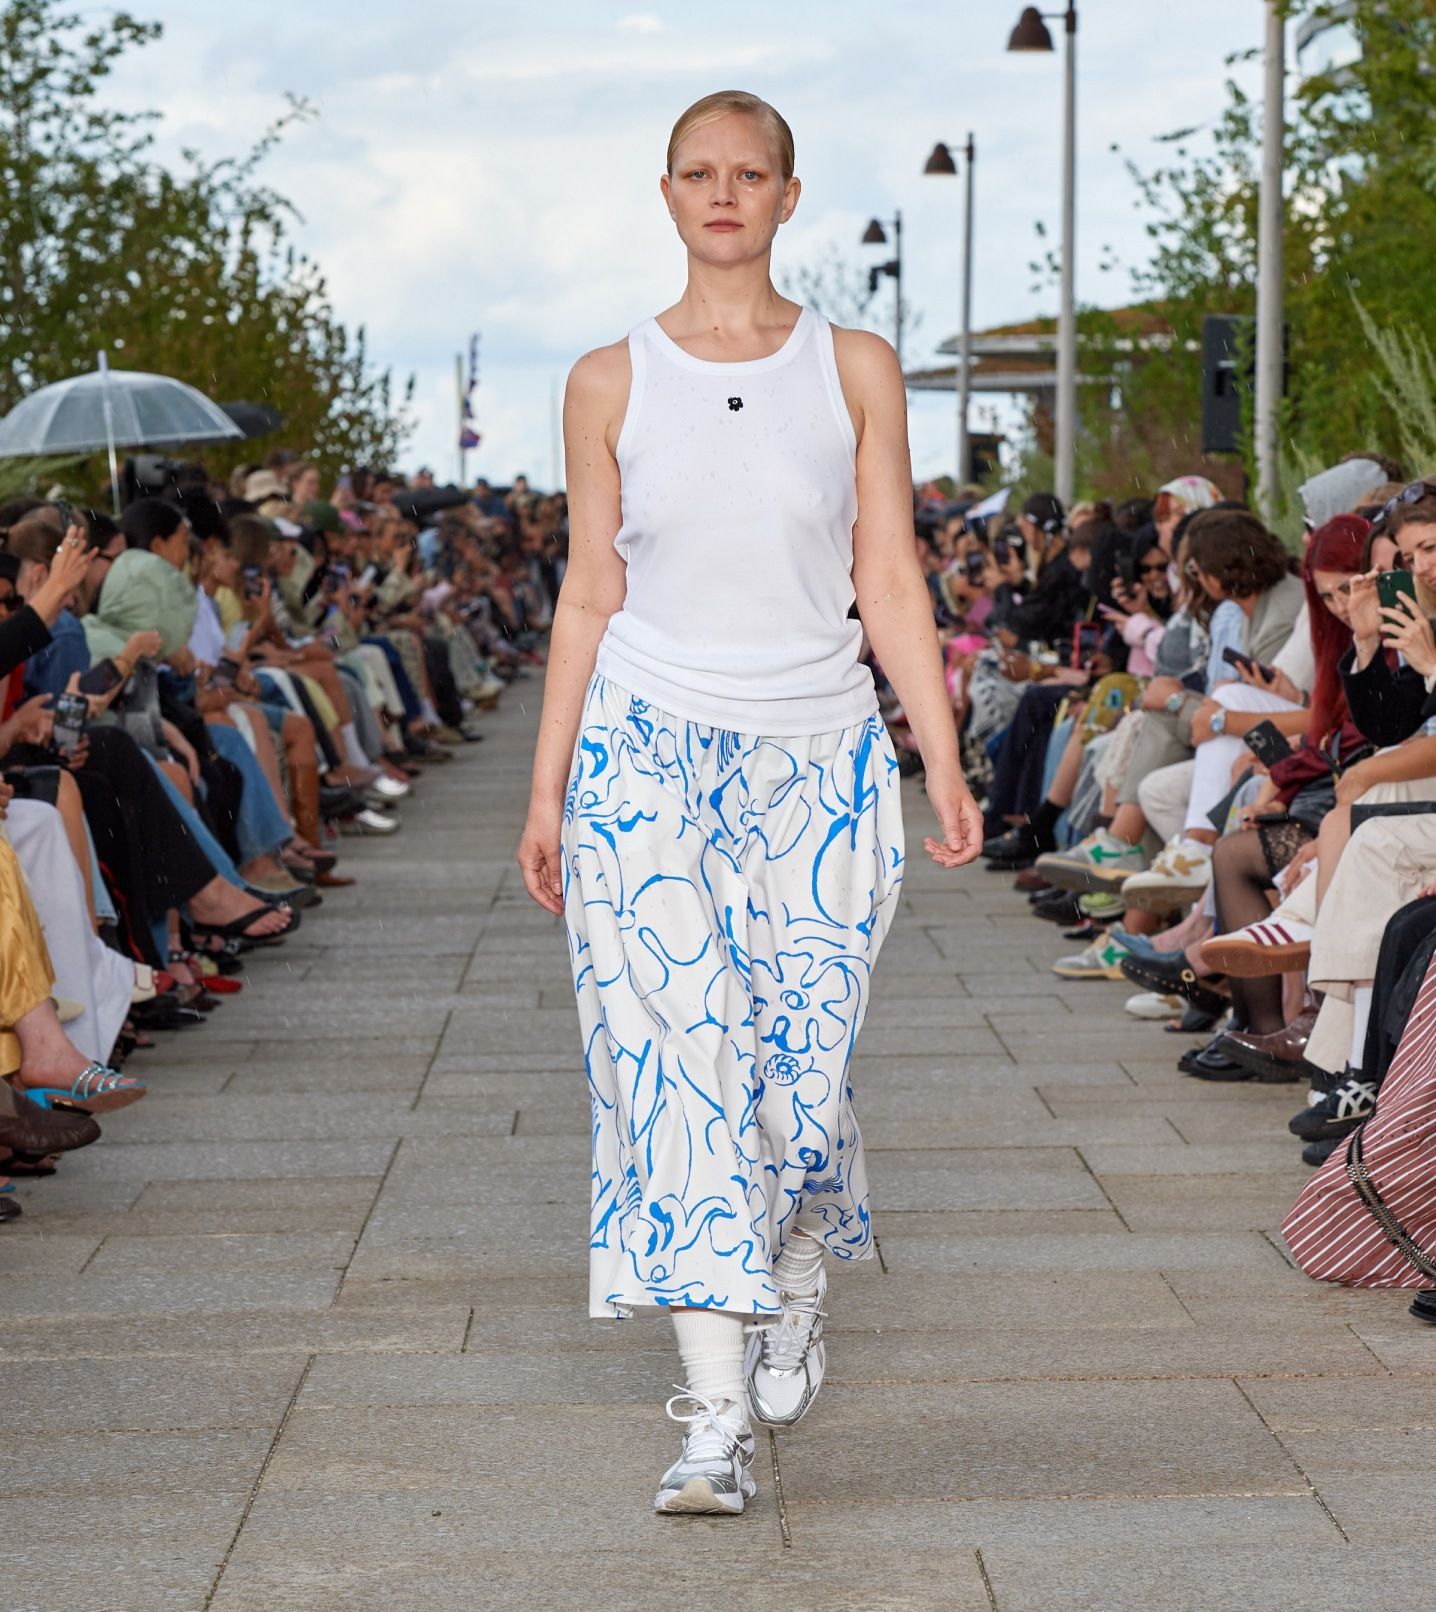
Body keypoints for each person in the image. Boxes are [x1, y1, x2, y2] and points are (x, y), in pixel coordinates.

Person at [516, 88, 982, 1518]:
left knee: (801, 1062)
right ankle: (711, 1418)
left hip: (822, 758)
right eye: (699, 174)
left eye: (750, 173)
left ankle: (795, 1256)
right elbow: (590, 588)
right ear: (667, 194)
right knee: (672, 1073)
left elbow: (888, 576)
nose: (724, 194)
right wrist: (547, 788)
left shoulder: (852, 366)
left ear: (788, 196)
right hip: (645, 753)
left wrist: (944, 762)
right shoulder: (609, 379)